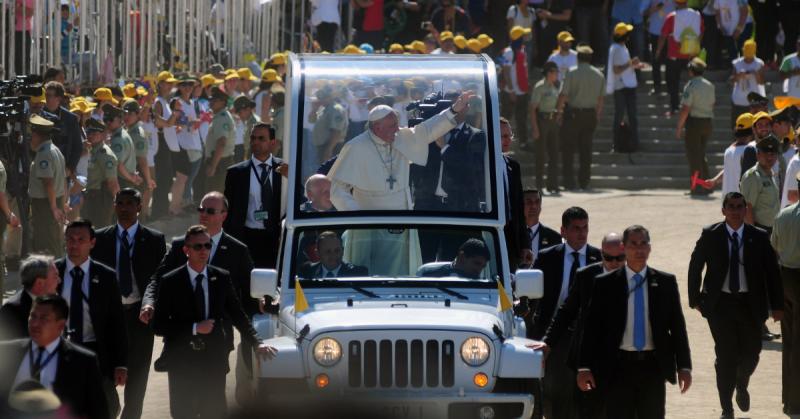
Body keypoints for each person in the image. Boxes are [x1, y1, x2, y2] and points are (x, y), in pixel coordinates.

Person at [141, 191, 258, 405]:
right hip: (181, 341)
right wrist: (149, 302)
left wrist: (265, 309)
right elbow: (157, 279)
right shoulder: (179, 246)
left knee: (213, 405)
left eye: (210, 211)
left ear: (224, 215)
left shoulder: (237, 251)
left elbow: (250, 295)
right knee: (183, 407)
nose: (203, 214)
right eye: (201, 209)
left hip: (217, 342)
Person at [151, 225, 277, 419]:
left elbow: (238, 314)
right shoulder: (171, 281)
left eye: (207, 246)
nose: (203, 251)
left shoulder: (221, 278)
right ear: (186, 250)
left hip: (214, 359)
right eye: (198, 247)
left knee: (215, 411)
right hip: (182, 360)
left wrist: (257, 342)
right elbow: (158, 325)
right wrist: (194, 328)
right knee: (183, 413)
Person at [577, 225, 692, 419]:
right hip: (617, 367)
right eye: (633, 244)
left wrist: (684, 367)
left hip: (653, 367)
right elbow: (591, 328)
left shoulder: (665, 282)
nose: (639, 249)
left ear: (650, 248)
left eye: (643, 243)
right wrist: (584, 367)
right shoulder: (605, 283)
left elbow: (678, 328)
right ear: (624, 248)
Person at [688, 191, 783, 418]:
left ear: (745, 210)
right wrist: (695, 300)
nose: (735, 211)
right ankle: (726, 408)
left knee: (752, 353)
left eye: (740, 206)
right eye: (731, 206)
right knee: (726, 356)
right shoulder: (711, 234)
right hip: (720, 305)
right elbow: (695, 265)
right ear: (723, 210)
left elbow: (772, 273)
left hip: (751, 305)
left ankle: (741, 383)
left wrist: (778, 305)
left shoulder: (759, 237)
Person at [91, 189, 166, 419]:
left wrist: (152, 305)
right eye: (120, 203)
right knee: (104, 377)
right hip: (107, 320)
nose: (124, 208)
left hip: (139, 318)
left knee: (137, 379)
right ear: (114, 206)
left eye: (130, 203)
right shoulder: (100, 238)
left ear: (139, 207)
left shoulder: (154, 239)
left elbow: (160, 278)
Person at [328, 91, 472, 211]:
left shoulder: (400, 137)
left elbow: (428, 130)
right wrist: (357, 216)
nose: (397, 129)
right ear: (378, 128)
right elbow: (336, 188)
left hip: (401, 215)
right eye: (392, 126)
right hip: (370, 217)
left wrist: (453, 110)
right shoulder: (356, 147)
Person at [542, 232, 626, 418]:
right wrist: (548, 343)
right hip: (590, 361)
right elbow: (566, 312)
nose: (614, 263)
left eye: (620, 258)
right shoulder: (586, 276)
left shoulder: (637, 279)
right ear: (601, 254)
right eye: (608, 258)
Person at [529, 206, 601, 419]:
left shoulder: (599, 259)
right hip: (554, 336)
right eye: (576, 228)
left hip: (586, 337)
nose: (581, 233)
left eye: (585, 228)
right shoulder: (547, 257)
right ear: (563, 231)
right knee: (553, 392)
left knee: (584, 394)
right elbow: (533, 297)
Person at [56, 220, 127, 417]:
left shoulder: (106, 276)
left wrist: (120, 363)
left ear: (92, 243)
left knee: (105, 408)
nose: (75, 244)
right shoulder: (53, 273)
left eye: (81, 240)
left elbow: (117, 323)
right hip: (62, 352)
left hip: (96, 352)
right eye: (70, 239)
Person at [0, 295, 109, 419]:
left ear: (61, 325)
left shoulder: (83, 363)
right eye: (33, 316)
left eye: (44, 319)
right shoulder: (6, 352)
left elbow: (98, 412)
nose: (35, 323)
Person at [411, 94, 487, 212]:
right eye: (450, 107)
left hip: (460, 206)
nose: (454, 110)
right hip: (427, 205)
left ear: (466, 108)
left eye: (458, 106)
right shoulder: (429, 135)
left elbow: (470, 167)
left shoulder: (475, 135)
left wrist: (444, 147)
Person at [224, 123, 285, 269]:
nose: (255, 142)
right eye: (253, 138)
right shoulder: (236, 173)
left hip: (276, 238)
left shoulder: (285, 169)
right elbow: (228, 210)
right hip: (247, 238)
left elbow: (299, 199)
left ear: (272, 142)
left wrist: (291, 177)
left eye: (261, 138)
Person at [556, 44, 605, 190]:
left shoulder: (572, 72)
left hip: (573, 114)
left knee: (568, 149)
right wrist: (597, 115)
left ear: (578, 57)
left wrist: (559, 112)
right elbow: (601, 99)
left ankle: (569, 182)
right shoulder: (599, 74)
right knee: (586, 150)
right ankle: (584, 181)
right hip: (590, 114)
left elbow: (563, 94)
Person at [771, 174, 800, 416]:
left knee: (789, 340)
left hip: (786, 278)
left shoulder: (784, 215)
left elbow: (776, 246)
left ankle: (789, 399)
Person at [28, 115, 67, 258]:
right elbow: (62, 181)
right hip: (55, 200)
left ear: (37, 135)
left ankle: (52, 276)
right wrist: (61, 205)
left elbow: (48, 182)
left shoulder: (44, 153)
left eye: (32, 135)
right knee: (53, 241)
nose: (31, 138)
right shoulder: (55, 150)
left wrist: (53, 208)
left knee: (45, 244)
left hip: (45, 205)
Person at [676, 58, 715, 195]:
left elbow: (685, 108)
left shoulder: (691, 85)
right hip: (707, 122)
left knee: (694, 156)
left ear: (691, 71)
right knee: (701, 154)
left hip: (695, 123)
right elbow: (712, 104)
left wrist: (679, 127)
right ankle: (707, 185)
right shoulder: (710, 85)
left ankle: (697, 186)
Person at [657, 0, 703, 115]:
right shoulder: (697, 15)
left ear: (676, 3)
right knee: (694, 82)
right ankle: (694, 107)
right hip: (691, 55)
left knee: (672, 82)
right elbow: (701, 32)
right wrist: (696, 46)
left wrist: (658, 51)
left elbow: (663, 35)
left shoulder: (671, 17)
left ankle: (674, 107)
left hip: (674, 55)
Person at [499, 117, 534, 271]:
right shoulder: (481, 165)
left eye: (510, 135)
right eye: (503, 136)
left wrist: (525, 245)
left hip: (511, 238)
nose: (508, 140)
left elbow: (519, 210)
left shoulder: (513, 166)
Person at [0, 255, 59, 340]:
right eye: (55, 276)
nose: (59, 280)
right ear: (39, 283)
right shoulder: (11, 312)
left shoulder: (52, 304)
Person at [608, 22, 644, 152]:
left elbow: (624, 67)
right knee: (620, 116)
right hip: (622, 88)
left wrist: (635, 66)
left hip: (628, 86)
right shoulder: (617, 49)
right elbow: (617, 70)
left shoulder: (622, 48)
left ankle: (634, 143)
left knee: (632, 116)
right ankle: (617, 144)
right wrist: (630, 63)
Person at [81, 118, 119, 227]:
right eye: (88, 132)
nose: (90, 136)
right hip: (91, 197)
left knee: (100, 231)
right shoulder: (93, 150)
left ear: (103, 135)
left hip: (100, 199)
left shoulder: (105, 154)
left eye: (94, 133)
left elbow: (112, 182)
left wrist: (119, 203)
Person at [530, 62, 561, 193]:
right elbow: (532, 108)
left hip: (552, 121)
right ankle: (539, 185)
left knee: (554, 153)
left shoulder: (554, 87)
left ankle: (552, 184)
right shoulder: (540, 87)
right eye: (555, 73)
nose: (557, 75)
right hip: (541, 121)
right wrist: (535, 128)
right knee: (541, 155)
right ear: (549, 73)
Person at [740, 135, 781, 233]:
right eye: (766, 153)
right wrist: (753, 236)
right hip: (760, 230)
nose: (769, 157)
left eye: (773, 154)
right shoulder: (753, 176)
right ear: (758, 155)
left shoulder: (771, 174)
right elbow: (747, 209)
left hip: (773, 230)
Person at [706, 113, 754, 195]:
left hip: (727, 203)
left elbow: (728, 170)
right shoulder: (751, 151)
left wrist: (715, 180)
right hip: (742, 202)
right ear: (753, 130)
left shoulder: (729, 151)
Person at [42, 81, 82, 176]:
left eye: (49, 95)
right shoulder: (39, 115)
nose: (45, 98)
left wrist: (70, 168)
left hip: (62, 169)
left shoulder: (70, 119)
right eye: (45, 94)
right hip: (42, 166)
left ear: (58, 98)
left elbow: (77, 146)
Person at [122, 99, 156, 211]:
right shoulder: (128, 130)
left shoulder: (137, 134)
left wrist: (148, 180)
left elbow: (142, 160)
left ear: (137, 114)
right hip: (127, 173)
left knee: (134, 210)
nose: (126, 116)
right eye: (124, 113)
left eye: (130, 114)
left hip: (136, 174)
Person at [501, 26, 532, 150]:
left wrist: (527, 83)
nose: (525, 38)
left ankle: (523, 143)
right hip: (511, 92)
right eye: (523, 36)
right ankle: (501, 143)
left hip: (522, 91)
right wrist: (511, 90)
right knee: (504, 119)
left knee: (522, 118)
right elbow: (506, 72)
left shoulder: (522, 50)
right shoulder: (508, 52)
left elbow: (523, 69)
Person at [205, 86, 236, 194]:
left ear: (223, 102)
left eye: (215, 100)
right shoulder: (220, 116)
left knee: (215, 197)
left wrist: (213, 166)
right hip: (220, 161)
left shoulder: (221, 118)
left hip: (219, 163)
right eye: (210, 99)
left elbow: (221, 143)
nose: (211, 102)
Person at [298, 231, 368, 278]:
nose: (333, 255)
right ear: (317, 253)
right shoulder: (307, 271)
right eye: (328, 251)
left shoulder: (357, 273)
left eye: (337, 251)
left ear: (343, 251)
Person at [104, 105, 142, 192]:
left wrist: (132, 179)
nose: (107, 123)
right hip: (126, 179)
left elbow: (118, 164)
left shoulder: (118, 139)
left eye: (111, 119)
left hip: (122, 181)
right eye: (105, 120)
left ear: (120, 120)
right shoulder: (121, 134)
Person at [730, 40, 766, 127]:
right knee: (738, 126)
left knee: (754, 126)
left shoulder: (759, 63)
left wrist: (756, 74)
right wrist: (739, 76)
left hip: (754, 103)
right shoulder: (737, 63)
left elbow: (762, 82)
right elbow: (731, 80)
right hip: (739, 101)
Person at [309, 86, 348, 166]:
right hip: (323, 146)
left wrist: (329, 149)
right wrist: (314, 109)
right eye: (319, 97)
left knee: (330, 172)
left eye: (324, 97)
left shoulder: (336, 109)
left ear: (330, 96)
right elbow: (311, 120)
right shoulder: (324, 109)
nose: (321, 99)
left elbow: (336, 132)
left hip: (332, 146)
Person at [522, 189, 562, 266]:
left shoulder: (554, 238)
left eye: (537, 202)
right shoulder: (511, 236)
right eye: (529, 202)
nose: (533, 206)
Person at [418, 238, 491, 279]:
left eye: (483, 266)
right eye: (477, 263)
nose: (479, 270)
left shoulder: (482, 283)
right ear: (462, 257)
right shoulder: (427, 272)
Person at [644, 0, 675, 95]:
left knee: (671, 61)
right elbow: (642, 12)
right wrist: (655, 8)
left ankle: (671, 87)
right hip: (655, 32)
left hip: (671, 33)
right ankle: (657, 86)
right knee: (656, 61)